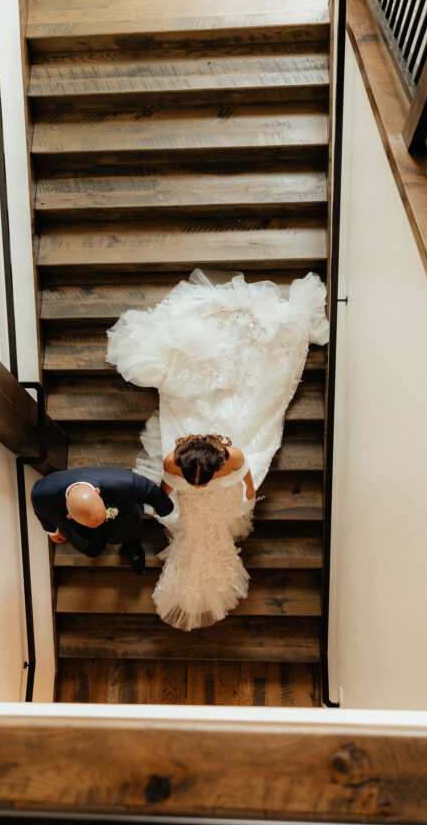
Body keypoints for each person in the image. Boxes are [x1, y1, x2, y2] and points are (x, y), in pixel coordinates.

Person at [106, 268, 328, 629]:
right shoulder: (178, 460)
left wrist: (239, 494)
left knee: (253, 404)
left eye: (198, 478)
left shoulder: (234, 456)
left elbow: (242, 477)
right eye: (190, 479)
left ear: (214, 462)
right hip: (212, 508)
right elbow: (174, 483)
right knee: (202, 531)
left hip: (205, 509)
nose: (194, 484)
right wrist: (176, 496)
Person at [30, 466, 174, 575]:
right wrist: (52, 531)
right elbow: (39, 510)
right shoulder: (42, 494)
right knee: (92, 549)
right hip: (81, 529)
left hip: (121, 515)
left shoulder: (127, 482)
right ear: (69, 516)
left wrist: (162, 508)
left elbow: (152, 492)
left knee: (129, 531)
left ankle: (132, 548)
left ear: (97, 492)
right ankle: (93, 544)